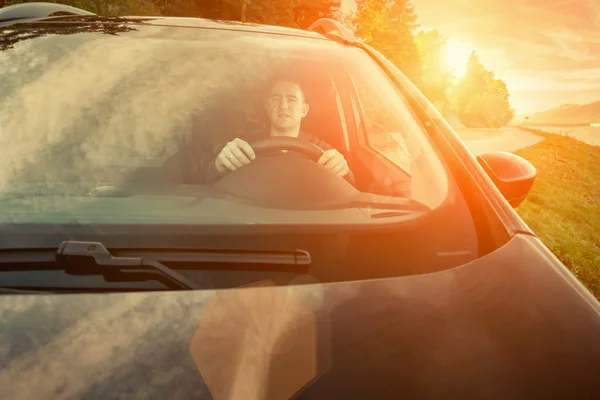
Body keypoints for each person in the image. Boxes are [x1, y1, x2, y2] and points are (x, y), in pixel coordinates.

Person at [204, 77, 355, 184]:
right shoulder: (244, 145)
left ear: (304, 110)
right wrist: (219, 165)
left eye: (292, 99)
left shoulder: (321, 150)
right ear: (267, 108)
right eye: (276, 99)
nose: (283, 105)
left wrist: (344, 171)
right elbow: (207, 182)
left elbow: (350, 186)